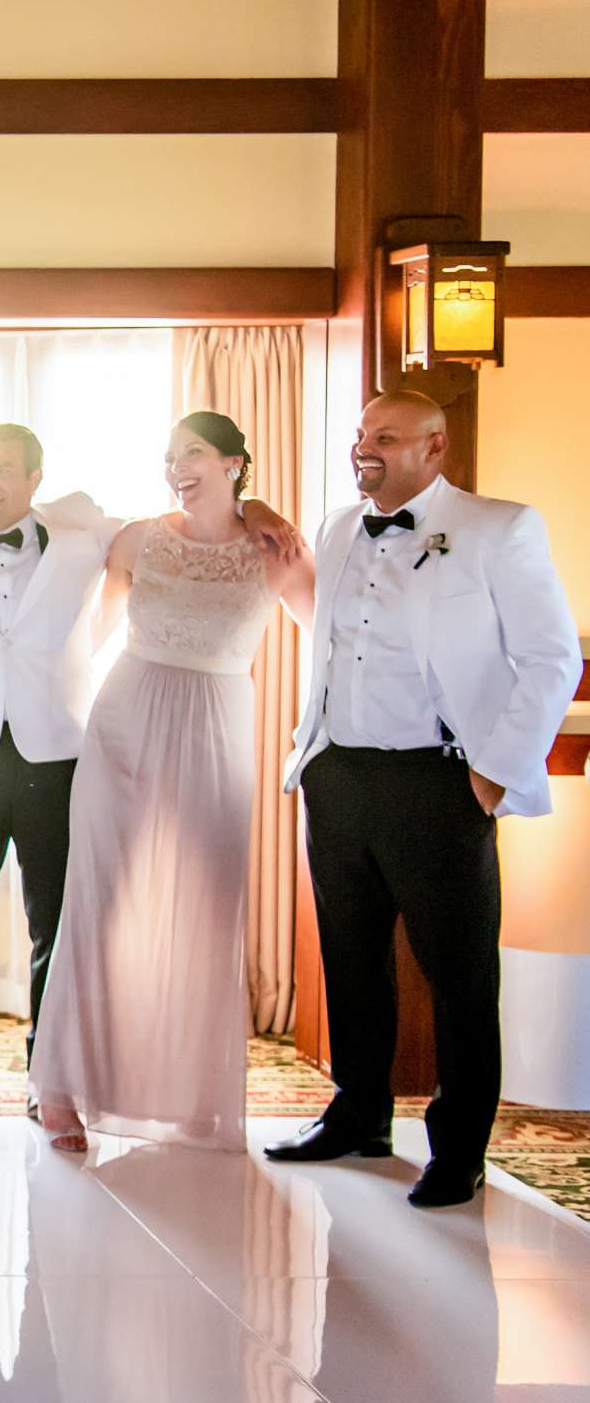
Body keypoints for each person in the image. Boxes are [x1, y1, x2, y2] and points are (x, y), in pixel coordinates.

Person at [0, 425, 295, 1108]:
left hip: (60, 758)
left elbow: (178, 525)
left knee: (59, 923)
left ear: (34, 478)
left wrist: (257, 508)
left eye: (2, 469)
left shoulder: (83, 534)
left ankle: (45, 1077)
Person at [267, 390, 580, 1208]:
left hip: (441, 781)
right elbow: (335, 639)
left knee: (459, 974)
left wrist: (489, 772)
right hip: (341, 776)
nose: (364, 449)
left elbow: (551, 660)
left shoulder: (500, 527)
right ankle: (359, 1112)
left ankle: (459, 1148)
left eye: (386, 437)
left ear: (435, 447)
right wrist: (316, 758)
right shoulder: (339, 528)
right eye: (361, 436)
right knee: (350, 958)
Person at [30, 413, 316, 1151]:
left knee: (202, 905)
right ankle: (61, 1090)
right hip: (125, 720)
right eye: (168, 457)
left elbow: (337, 636)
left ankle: (192, 1093)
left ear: (234, 462)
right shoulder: (136, 539)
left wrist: (259, 513)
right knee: (101, 898)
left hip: (217, 727)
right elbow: (78, 602)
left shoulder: (275, 550)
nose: (177, 467)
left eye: (193, 453)